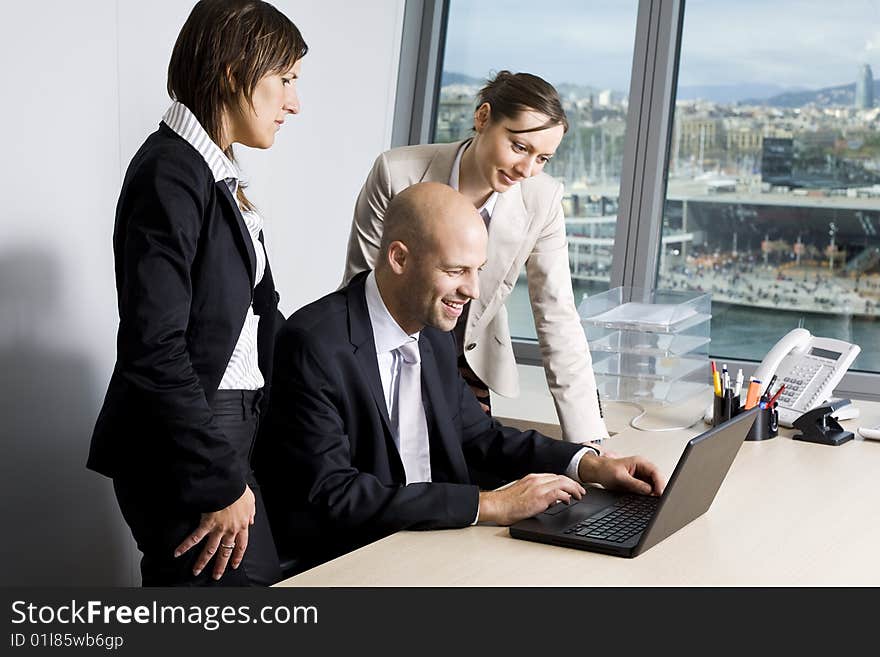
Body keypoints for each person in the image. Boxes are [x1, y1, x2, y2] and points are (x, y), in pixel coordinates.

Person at [257, 183, 664, 570]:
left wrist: (589, 465)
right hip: (355, 557)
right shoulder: (312, 344)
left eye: (478, 270)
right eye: (456, 271)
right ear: (399, 258)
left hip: (437, 545)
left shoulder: (431, 333)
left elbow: (480, 437)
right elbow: (333, 495)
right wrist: (490, 505)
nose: (472, 290)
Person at [87, 0, 307, 586]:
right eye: (284, 80)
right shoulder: (171, 172)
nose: (293, 102)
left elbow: (259, 316)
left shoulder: (212, 173)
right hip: (185, 444)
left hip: (224, 432)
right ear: (235, 73)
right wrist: (218, 478)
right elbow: (154, 348)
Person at [342, 71, 608, 444]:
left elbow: (557, 316)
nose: (527, 170)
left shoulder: (542, 199)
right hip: (390, 353)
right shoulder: (396, 172)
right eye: (518, 147)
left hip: (468, 369)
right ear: (483, 118)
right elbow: (361, 286)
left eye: (543, 158)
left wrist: (587, 445)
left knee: (467, 473)